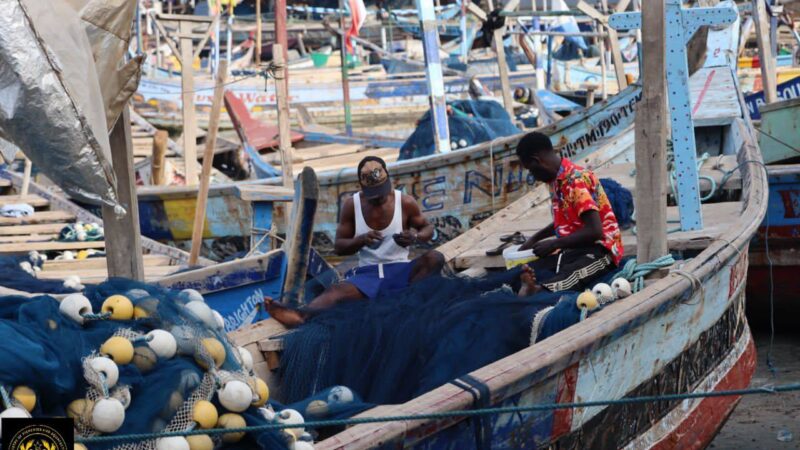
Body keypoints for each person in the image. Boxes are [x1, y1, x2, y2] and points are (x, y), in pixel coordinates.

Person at [268, 156, 445, 327]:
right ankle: (300, 316)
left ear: (388, 181)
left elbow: (427, 228)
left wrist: (415, 237)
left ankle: (410, 301)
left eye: (381, 192)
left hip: (400, 269)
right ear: (361, 186)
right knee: (335, 292)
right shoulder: (351, 205)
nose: (378, 198)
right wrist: (362, 240)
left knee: (434, 258)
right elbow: (339, 247)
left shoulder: (405, 202)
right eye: (373, 195)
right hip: (368, 275)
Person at [515, 131, 623, 295]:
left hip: (601, 250)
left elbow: (595, 231)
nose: (533, 176)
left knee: (573, 273)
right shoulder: (556, 181)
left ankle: (538, 291)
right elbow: (566, 219)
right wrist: (536, 238)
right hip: (574, 247)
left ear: (538, 161)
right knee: (534, 268)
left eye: (531, 170)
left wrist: (553, 244)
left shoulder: (575, 181)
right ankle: (532, 286)